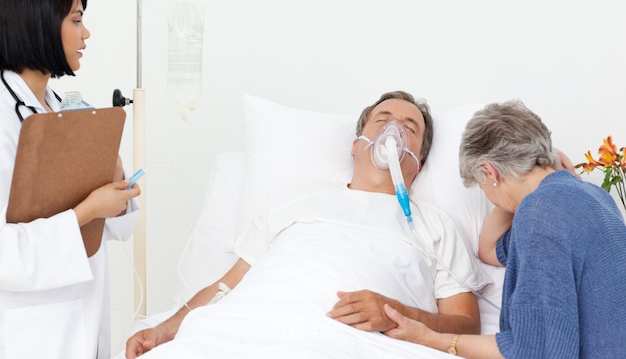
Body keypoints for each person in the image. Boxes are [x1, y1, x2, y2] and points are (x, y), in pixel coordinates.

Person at [124, 91, 488, 358]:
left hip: (346, 343)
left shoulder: (434, 225)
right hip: (237, 331)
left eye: (411, 128)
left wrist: (395, 315)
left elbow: (466, 326)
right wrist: (162, 331)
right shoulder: (295, 200)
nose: (394, 130)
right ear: (355, 144)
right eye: (383, 119)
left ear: (419, 162)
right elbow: (226, 284)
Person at [382, 100, 626, 358]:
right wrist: (528, 174)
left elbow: (533, 350)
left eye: (482, 185)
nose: (488, 197)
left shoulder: (540, 213)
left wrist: (429, 338)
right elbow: (488, 249)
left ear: (490, 172)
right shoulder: (594, 196)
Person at [0, 0, 141, 359]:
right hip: (31, 332)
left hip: (85, 317)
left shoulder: (62, 109)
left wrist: (113, 174)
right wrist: (86, 211)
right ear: (39, 24)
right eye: (76, 20)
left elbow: (121, 225)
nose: (86, 34)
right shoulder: (3, 118)